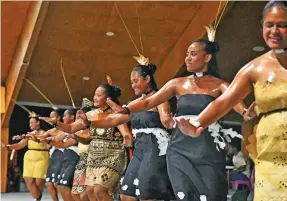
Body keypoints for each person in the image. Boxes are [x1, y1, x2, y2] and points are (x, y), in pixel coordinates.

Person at [87, 38, 247, 200]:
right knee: (184, 196)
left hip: (207, 148)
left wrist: (247, 113)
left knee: (212, 196)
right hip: (179, 148)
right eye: (186, 55)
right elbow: (149, 101)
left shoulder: (221, 85)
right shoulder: (177, 84)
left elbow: (238, 105)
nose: (187, 59)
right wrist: (126, 109)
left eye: (193, 54)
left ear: (207, 58)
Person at [174, 1, 287, 200]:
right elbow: (224, 101)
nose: (274, 31)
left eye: (282, 25)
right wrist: (198, 123)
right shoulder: (254, 68)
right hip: (270, 155)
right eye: (269, 25)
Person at [78, 63, 175, 201]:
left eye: (136, 81)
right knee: (126, 195)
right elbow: (113, 120)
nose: (133, 85)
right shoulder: (136, 103)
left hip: (155, 150)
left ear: (147, 79)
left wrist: (169, 121)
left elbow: (166, 119)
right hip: (139, 152)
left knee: (149, 195)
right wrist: (89, 123)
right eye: (131, 82)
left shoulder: (159, 98)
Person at [41, 83, 132, 201]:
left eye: (98, 95)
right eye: (95, 94)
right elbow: (70, 128)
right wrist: (56, 123)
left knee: (100, 190)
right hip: (94, 157)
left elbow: (126, 134)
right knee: (89, 191)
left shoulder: (116, 115)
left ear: (108, 98)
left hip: (113, 156)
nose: (94, 97)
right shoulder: (90, 115)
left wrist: (127, 138)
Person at [2, 116, 50, 201]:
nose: (30, 124)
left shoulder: (45, 133)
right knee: (28, 179)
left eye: (32, 122)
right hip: (29, 158)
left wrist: (24, 136)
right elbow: (19, 145)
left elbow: (42, 139)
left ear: (38, 123)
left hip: (42, 157)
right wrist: (7, 147)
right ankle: (37, 197)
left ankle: (37, 199)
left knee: (39, 181)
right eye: (29, 123)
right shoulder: (29, 134)